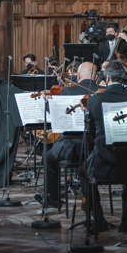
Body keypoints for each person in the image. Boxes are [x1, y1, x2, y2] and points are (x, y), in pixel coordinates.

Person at [84, 61, 127, 233]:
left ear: (107, 77)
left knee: (83, 173)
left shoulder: (94, 100)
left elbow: (89, 132)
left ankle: (98, 218)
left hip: (103, 162)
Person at [42, 70, 95, 209]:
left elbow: (52, 113)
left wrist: (49, 103)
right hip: (95, 146)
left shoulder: (67, 91)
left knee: (48, 158)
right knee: (86, 165)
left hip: (70, 146)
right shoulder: (102, 92)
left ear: (78, 76)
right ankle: (88, 196)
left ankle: (53, 199)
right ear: (96, 76)